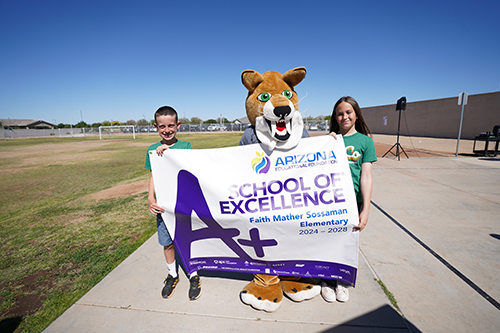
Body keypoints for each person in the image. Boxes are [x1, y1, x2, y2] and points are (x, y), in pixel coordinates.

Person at [322, 96, 377, 303]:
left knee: (347, 243)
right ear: (335, 117)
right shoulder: (330, 140)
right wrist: (326, 142)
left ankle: (343, 282)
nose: (344, 116)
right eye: (340, 113)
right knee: (328, 241)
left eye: (348, 112)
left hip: (353, 203)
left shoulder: (365, 141)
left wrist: (366, 210)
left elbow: (367, 177)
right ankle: (326, 280)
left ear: (356, 114)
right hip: (330, 202)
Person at [144, 106, 201, 301]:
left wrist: (171, 154)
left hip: (183, 205)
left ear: (177, 125)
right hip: (163, 207)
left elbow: (191, 170)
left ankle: (193, 274)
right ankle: (172, 274)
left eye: (171, 125)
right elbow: (153, 176)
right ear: (156, 127)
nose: (167, 130)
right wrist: (151, 198)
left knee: (186, 240)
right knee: (167, 243)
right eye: (162, 126)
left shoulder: (185, 147)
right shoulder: (152, 150)